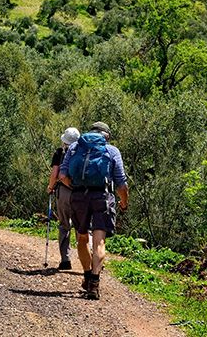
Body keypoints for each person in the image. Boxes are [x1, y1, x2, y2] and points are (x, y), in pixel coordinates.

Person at [59, 121, 129, 300]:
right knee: (99, 242)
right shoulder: (112, 151)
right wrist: (123, 202)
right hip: (102, 198)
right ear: (106, 136)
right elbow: (121, 183)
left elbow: (62, 176)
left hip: (79, 198)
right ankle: (94, 285)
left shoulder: (75, 147)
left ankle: (87, 275)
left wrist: (75, 187)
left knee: (82, 238)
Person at [47, 127, 80, 270]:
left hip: (64, 192)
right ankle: (89, 257)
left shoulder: (60, 153)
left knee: (64, 225)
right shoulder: (84, 152)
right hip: (81, 193)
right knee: (83, 227)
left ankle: (65, 259)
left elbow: (55, 173)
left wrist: (50, 187)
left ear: (64, 141)